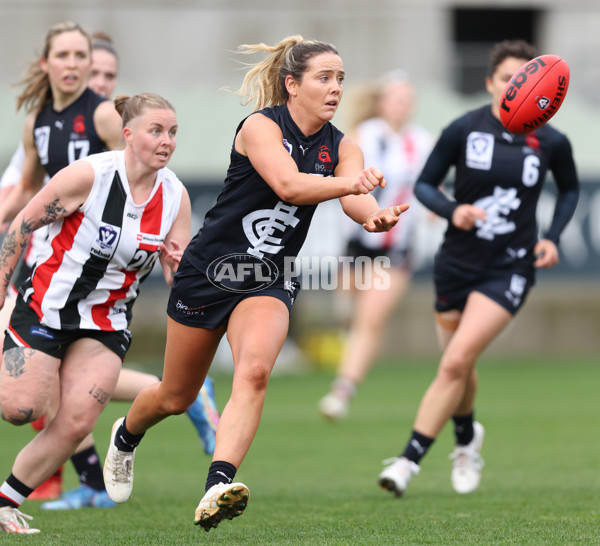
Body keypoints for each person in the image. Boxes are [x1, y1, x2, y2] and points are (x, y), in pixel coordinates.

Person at [102, 35, 408, 532]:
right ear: (292, 84)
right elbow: (289, 184)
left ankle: (216, 486)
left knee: (256, 371)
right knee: (175, 397)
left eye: (341, 79)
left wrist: (373, 217)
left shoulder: (342, 146)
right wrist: (350, 187)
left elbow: (354, 201)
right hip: (209, 272)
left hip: (270, 278)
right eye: (324, 78)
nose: (335, 89)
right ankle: (127, 436)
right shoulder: (261, 127)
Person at [0, 23, 218, 513]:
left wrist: (179, 267)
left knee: (77, 420)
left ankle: (7, 502)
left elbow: (176, 271)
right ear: (128, 135)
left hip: (106, 320)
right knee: (21, 408)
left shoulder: (175, 196)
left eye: (173, 133)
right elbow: (22, 218)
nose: (167, 141)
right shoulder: (88, 173)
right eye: (156, 131)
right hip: (50, 302)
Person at [377, 40, 579, 498]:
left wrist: (551, 237)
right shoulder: (463, 129)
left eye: (522, 79)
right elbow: (425, 185)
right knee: (459, 367)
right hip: (456, 264)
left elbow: (568, 191)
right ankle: (468, 437)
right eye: (507, 78)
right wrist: (454, 211)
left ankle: (408, 461)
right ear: (491, 83)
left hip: (509, 268)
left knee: (453, 363)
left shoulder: (551, 140)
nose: (514, 86)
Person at [318, 69, 433, 420]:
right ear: (382, 102)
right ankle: (344, 354)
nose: (402, 106)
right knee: (347, 315)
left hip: (396, 247)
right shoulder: (360, 137)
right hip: (357, 242)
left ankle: (342, 391)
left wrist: (438, 209)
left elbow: (432, 186)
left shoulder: (423, 142)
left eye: (407, 100)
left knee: (371, 320)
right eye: (397, 99)